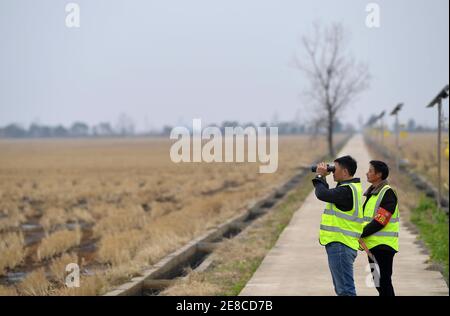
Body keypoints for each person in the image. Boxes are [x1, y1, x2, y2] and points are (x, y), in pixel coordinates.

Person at [312, 155, 363, 296]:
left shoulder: (346, 190)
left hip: (341, 245)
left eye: (335, 169)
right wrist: (323, 177)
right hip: (344, 245)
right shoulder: (351, 188)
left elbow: (322, 194)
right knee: (342, 290)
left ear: (345, 172)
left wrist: (320, 175)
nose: (332, 171)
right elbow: (328, 194)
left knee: (345, 291)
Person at [360, 160, 399, 296]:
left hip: (383, 247)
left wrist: (360, 233)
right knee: (378, 282)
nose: (367, 173)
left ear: (379, 174)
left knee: (384, 283)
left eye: (370, 171)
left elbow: (380, 221)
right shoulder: (373, 193)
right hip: (372, 246)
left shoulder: (387, 193)